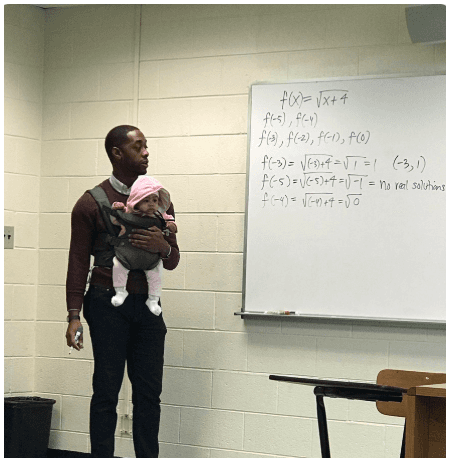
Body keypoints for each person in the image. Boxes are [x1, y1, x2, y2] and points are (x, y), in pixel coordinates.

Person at [65, 125, 179, 458]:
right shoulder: (90, 203)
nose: (147, 152)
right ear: (117, 153)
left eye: (147, 146)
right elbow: (76, 264)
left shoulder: (160, 200)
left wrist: (164, 246)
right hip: (105, 304)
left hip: (147, 306)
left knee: (149, 395)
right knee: (106, 392)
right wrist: (73, 316)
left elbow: (172, 262)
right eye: (139, 146)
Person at [109, 176, 177, 315]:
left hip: (151, 260)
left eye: (155, 200)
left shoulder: (160, 215)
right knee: (118, 265)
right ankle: (120, 291)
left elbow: (170, 222)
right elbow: (115, 220)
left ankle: (153, 300)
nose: (151, 204)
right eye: (146, 200)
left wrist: (171, 226)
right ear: (136, 201)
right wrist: (118, 209)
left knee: (156, 274)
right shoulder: (128, 212)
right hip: (127, 255)